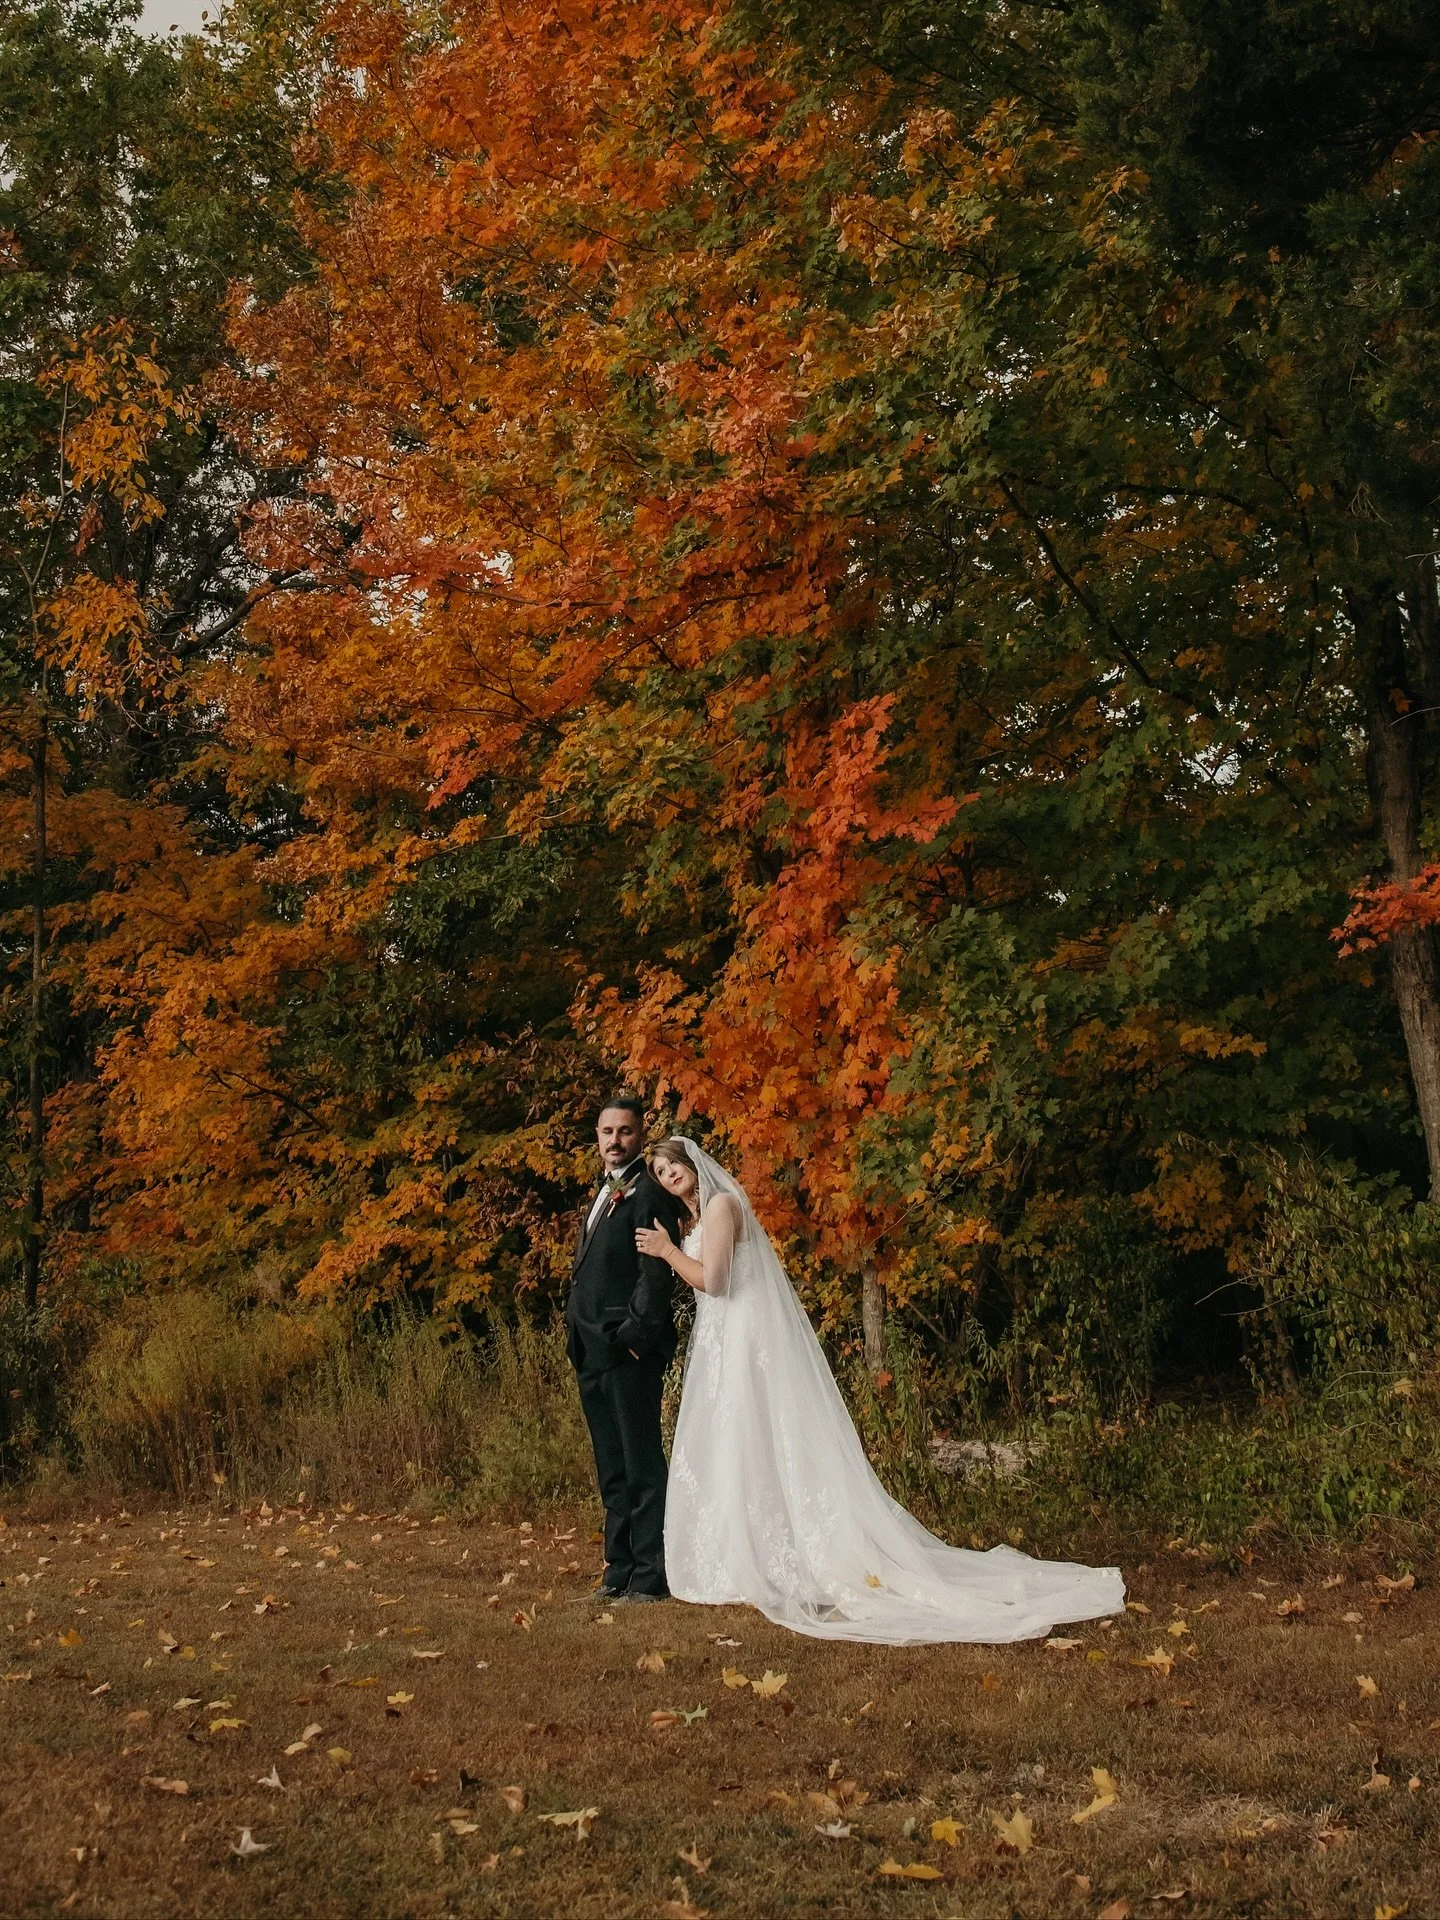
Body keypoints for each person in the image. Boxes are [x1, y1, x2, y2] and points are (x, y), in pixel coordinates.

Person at [636, 1136, 1126, 1643]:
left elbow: (714, 1282)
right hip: (727, 1336)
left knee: (748, 1434)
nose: (669, 1174)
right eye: (659, 1171)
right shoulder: (703, 1214)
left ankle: (764, 1557)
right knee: (744, 1440)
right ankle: (751, 1552)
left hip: (739, 1335)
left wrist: (668, 1251)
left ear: (693, 1163)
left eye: (673, 1164)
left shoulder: (720, 1205)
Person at [565, 1095, 687, 1603]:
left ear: (640, 1135)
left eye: (625, 1132)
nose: (614, 1141)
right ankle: (617, 1569)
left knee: (640, 1465)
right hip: (589, 1348)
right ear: (597, 1136)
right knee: (611, 1465)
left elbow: (655, 1273)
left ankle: (651, 1576)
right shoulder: (604, 1188)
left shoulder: (648, 1192)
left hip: (626, 1350)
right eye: (606, 1132)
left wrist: (635, 1338)